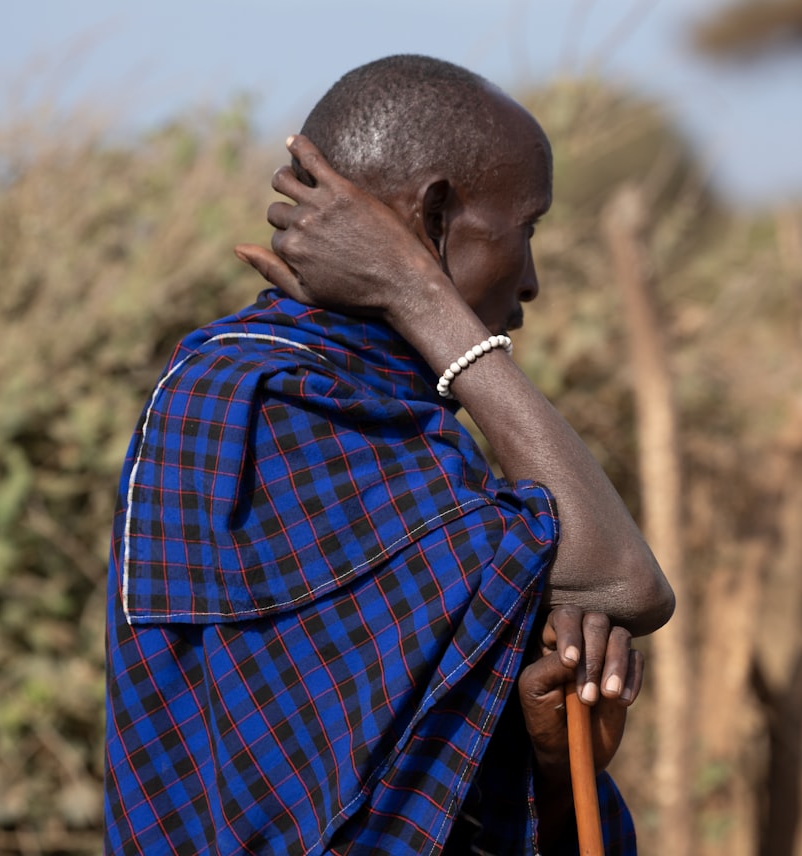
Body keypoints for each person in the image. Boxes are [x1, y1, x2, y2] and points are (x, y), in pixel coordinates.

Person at [105, 54, 674, 855]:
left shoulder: (402, 415)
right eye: (526, 230)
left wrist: (547, 762)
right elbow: (623, 579)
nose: (534, 280)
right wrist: (421, 294)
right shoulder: (261, 397)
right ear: (433, 215)